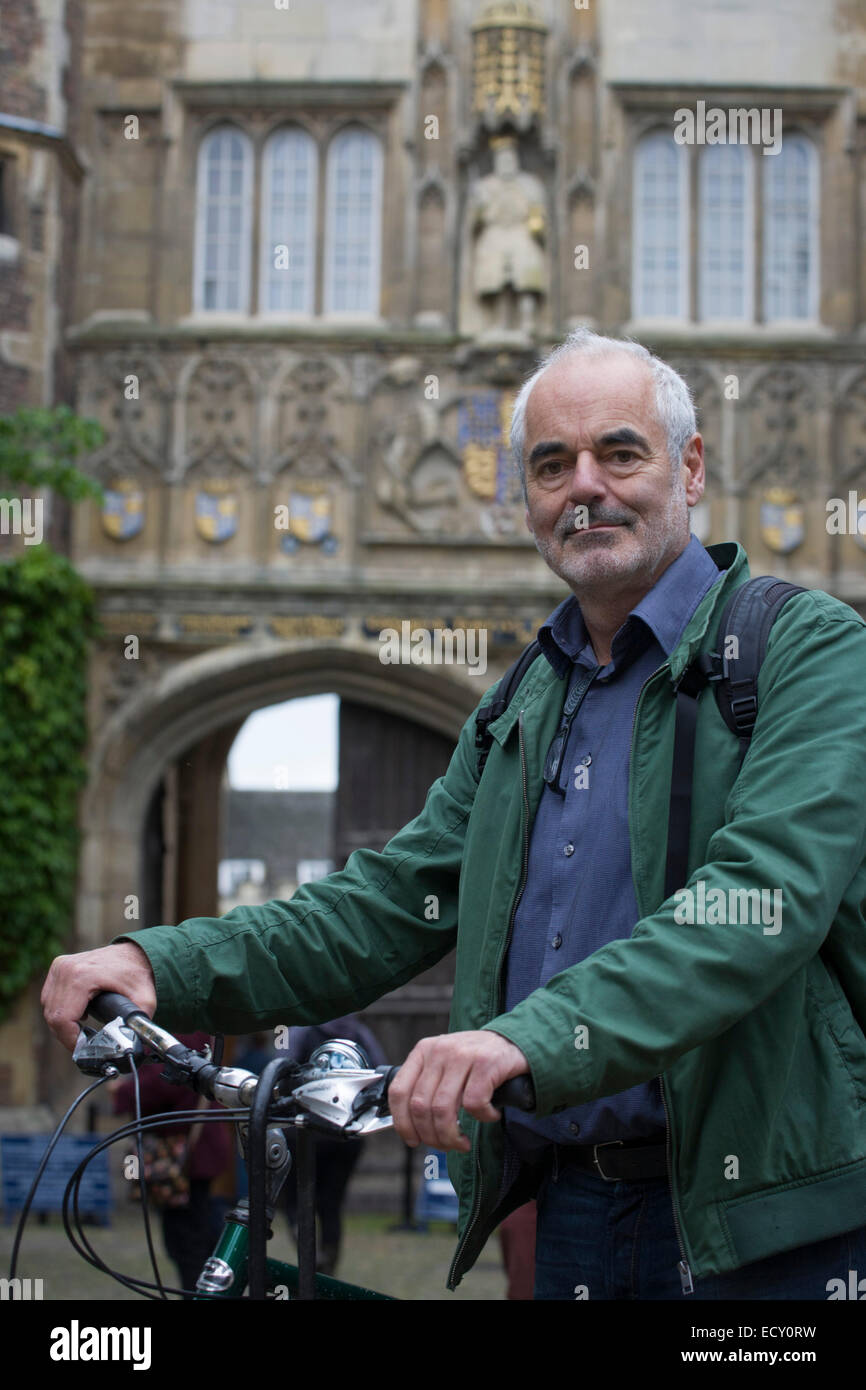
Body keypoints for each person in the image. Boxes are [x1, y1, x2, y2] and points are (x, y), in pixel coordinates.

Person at [43, 328, 866, 1300]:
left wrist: (526, 1038)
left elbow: (757, 903)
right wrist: (159, 963)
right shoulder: (523, 700)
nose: (584, 486)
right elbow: (388, 904)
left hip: (770, 1234)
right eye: (550, 464)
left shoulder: (805, 650)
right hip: (563, 1217)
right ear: (522, 497)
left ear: (688, 467)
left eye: (619, 451)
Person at [110, 1031, 232, 1297]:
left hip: (185, 1150)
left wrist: (122, 1091)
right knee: (198, 1230)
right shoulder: (195, 1022)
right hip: (195, 1146)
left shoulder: (179, 1025)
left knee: (187, 1241)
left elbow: (166, 1081)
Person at [281, 1015, 386, 1276]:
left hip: (306, 1131)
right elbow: (380, 1074)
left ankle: (307, 1252)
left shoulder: (302, 1031)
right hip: (345, 1134)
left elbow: (282, 1073)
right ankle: (328, 1263)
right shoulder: (359, 1034)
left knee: (296, 1198)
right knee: (332, 1203)